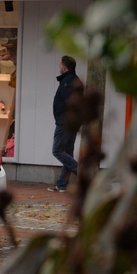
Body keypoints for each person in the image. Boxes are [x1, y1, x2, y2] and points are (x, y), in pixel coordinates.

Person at [48, 55, 84, 192]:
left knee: (57, 150)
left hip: (65, 123)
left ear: (64, 67)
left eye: (60, 65)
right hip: (71, 122)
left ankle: (83, 174)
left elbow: (71, 103)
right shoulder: (73, 80)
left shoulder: (67, 82)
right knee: (67, 152)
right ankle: (62, 184)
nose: (59, 67)